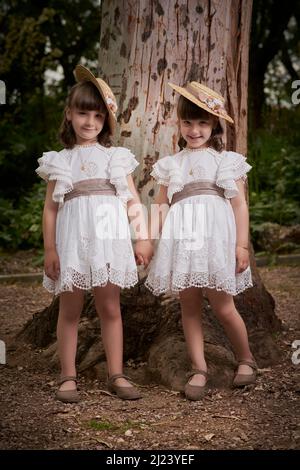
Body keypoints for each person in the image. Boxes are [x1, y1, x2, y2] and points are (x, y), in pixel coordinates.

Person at [36, 65, 153, 403]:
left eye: (98, 116)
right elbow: (51, 209)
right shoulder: (60, 160)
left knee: (110, 307)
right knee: (69, 309)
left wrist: (142, 237)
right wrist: (50, 249)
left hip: (108, 242)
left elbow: (131, 200)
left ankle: (116, 373)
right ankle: (67, 376)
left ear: (106, 120)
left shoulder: (115, 158)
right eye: (83, 113)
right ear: (69, 114)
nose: (90, 122)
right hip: (73, 243)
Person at [145, 81, 257, 400]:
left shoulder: (226, 162)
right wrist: (149, 240)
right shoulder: (172, 165)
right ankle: (198, 367)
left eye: (203, 122)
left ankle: (246, 358)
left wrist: (240, 245)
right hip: (183, 242)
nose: (195, 130)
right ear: (178, 124)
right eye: (188, 122)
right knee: (189, 306)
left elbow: (239, 205)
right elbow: (161, 205)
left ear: (214, 125)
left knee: (223, 305)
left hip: (215, 242)